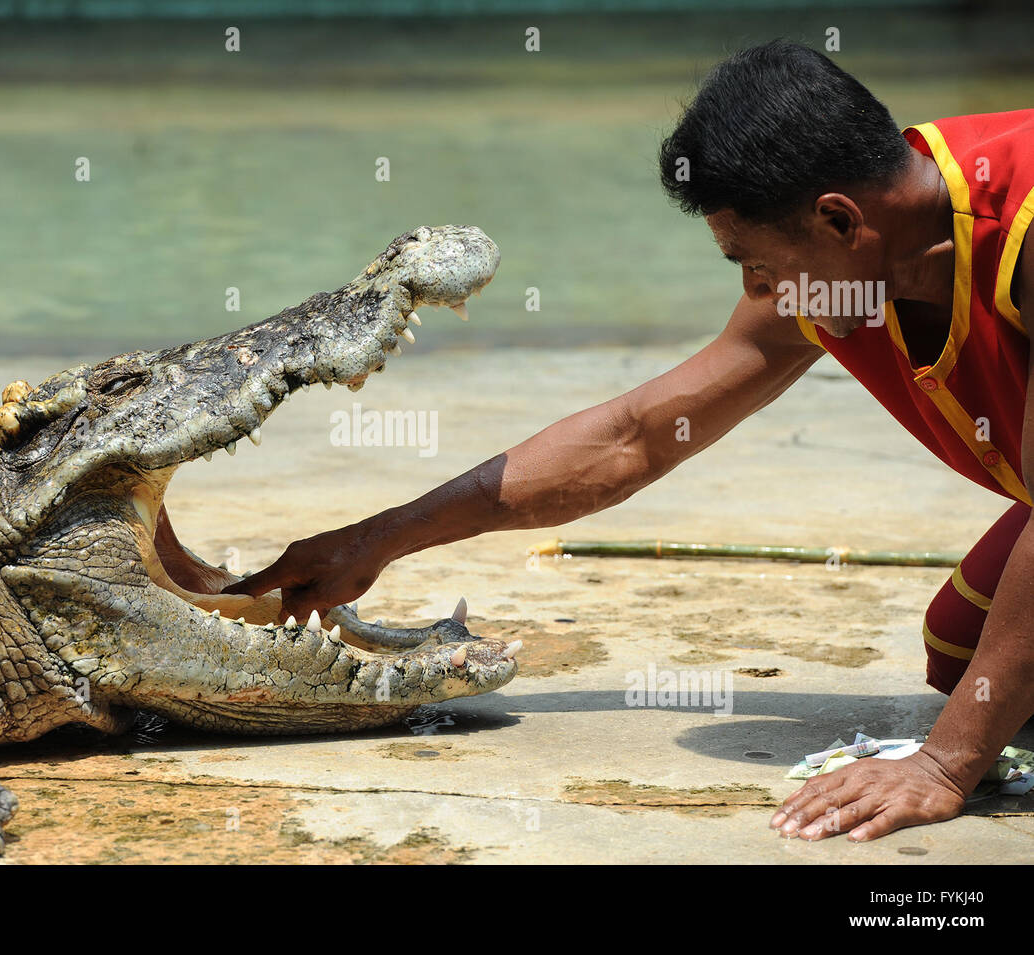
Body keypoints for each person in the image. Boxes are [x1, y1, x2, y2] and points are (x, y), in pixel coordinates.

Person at [223, 40, 1034, 843]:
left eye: (752, 262)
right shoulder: (857, 256)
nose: (754, 292)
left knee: (989, 695)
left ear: (837, 219)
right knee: (965, 645)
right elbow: (631, 440)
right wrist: (378, 540)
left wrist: (944, 763)